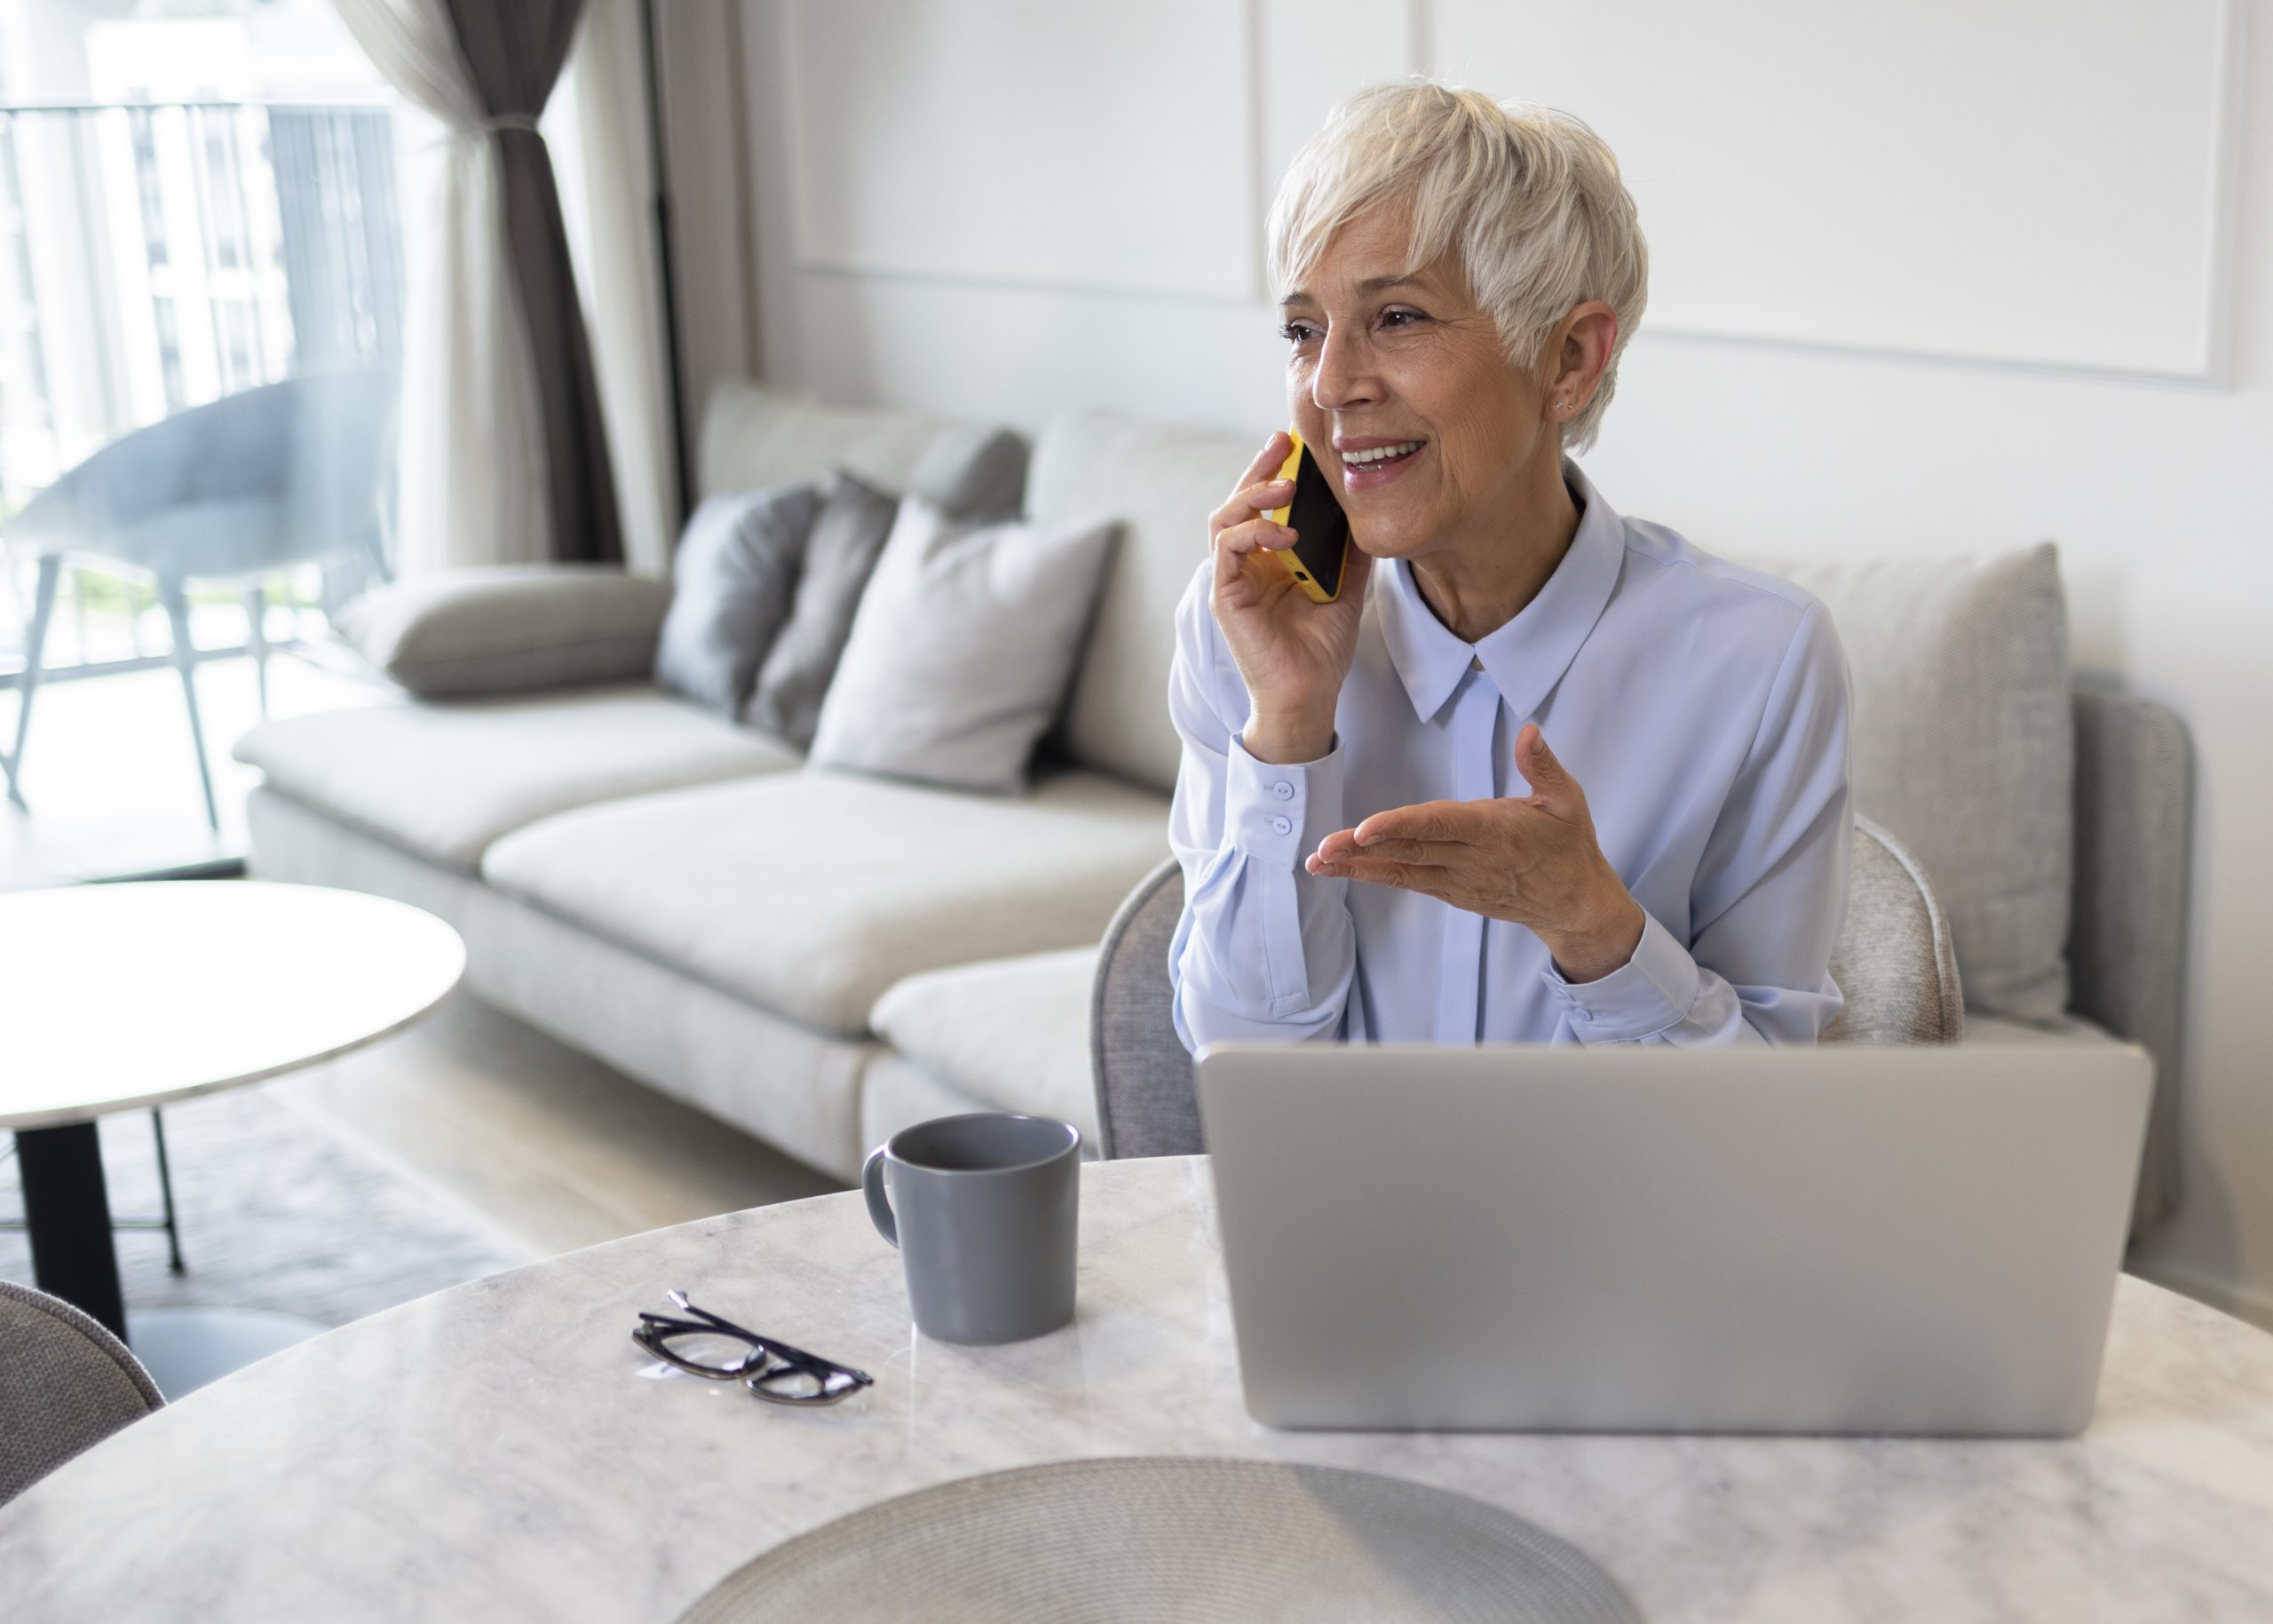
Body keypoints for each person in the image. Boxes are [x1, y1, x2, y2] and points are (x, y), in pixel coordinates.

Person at [1168, 80, 1851, 1050]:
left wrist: (1595, 929)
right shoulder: (1241, 622)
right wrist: (1286, 730)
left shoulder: (1760, 661)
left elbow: (1766, 1125)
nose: (1328, 387)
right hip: (1342, 1205)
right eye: (1302, 329)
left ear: (1568, 359)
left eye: (1397, 317)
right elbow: (1238, 1062)